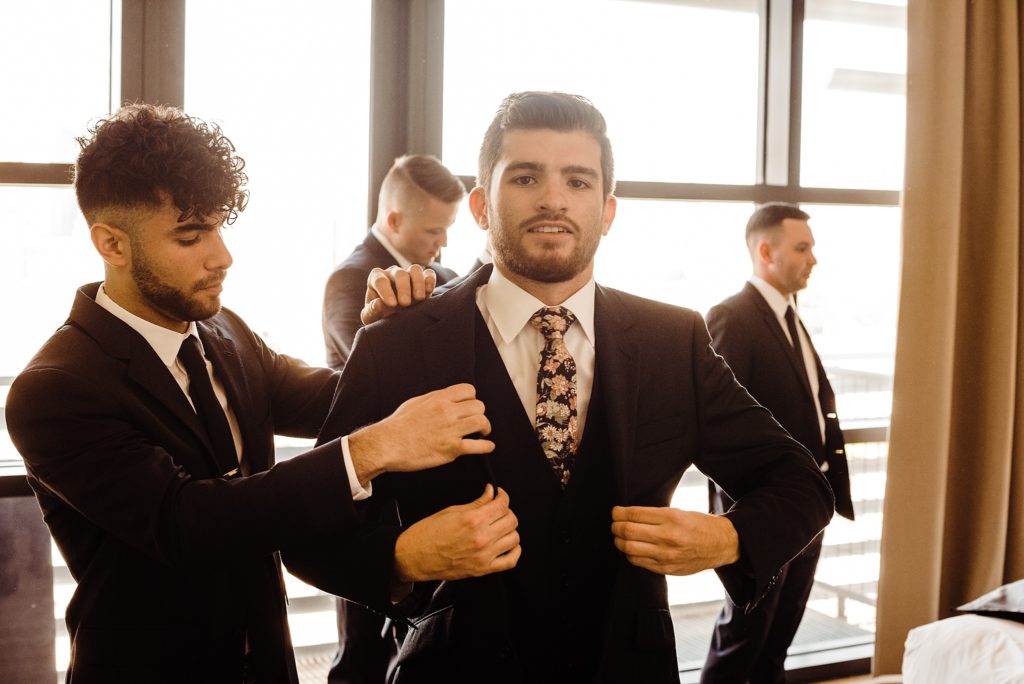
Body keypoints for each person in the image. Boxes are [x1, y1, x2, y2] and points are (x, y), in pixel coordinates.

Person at [315, 91, 835, 683]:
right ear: (482, 206)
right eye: (526, 177)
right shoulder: (398, 342)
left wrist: (728, 537)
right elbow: (313, 528)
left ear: (608, 212)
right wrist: (403, 557)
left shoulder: (674, 342)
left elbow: (802, 484)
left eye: (579, 182)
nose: (554, 200)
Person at [4, 104, 520, 683]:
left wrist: (386, 339)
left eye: (219, 228)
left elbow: (331, 400)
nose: (222, 256)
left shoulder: (228, 334)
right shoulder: (53, 391)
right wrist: (372, 450)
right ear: (111, 244)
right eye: (189, 236)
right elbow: (187, 523)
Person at [700, 202, 855, 683]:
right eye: (803, 248)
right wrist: (744, 516)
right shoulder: (731, 316)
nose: (813, 259)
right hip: (763, 508)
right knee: (743, 635)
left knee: (780, 634)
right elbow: (717, 422)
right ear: (766, 251)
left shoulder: (791, 314)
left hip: (809, 502)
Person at [323, 154, 464, 370]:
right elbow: (369, 372)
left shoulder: (448, 278)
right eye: (433, 231)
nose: (444, 242)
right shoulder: (348, 280)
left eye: (447, 228)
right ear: (394, 221)